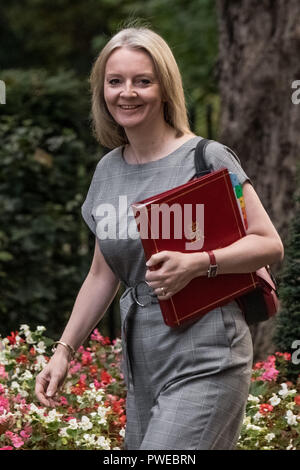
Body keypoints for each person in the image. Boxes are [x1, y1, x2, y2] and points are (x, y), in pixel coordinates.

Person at [35, 26, 284, 450]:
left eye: (142, 81)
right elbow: (101, 275)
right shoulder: (108, 171)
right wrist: (63, 351)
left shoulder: (206, 158)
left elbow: (268, 244)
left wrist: (199, 261)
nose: (127, 93)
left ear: (165, 88)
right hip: (144, 362)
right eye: (115, 81)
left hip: (208, 353)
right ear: (102, 91)